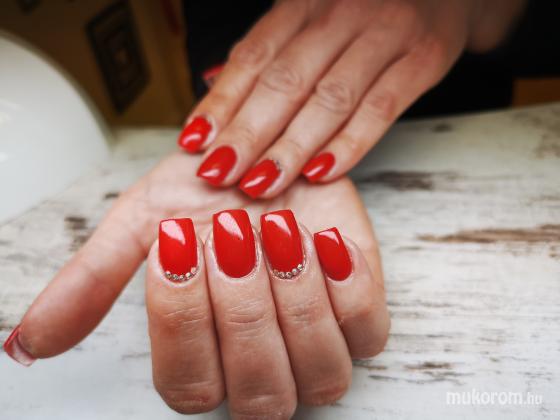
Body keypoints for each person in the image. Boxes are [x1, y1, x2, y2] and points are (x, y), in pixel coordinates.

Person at [4, 0, 554, 418]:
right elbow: (216, 19)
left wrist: (476, 10)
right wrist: (239, 111)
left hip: (461, 130)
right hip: (259, 136)